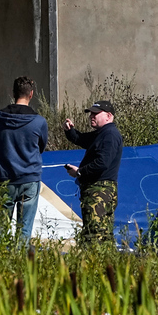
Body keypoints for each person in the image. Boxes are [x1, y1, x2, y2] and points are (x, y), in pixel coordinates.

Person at [0, 76, 48, 242]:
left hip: (4, 177)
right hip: (29, 178)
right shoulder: (39, 122)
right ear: (31, 94)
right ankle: (21, 263)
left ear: (13, 93)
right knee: (24, 230)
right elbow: (40, 147)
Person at [63, 100, 123, 244]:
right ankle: (105, 263)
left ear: (108, 116)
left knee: (95, 236)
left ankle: (94, 264)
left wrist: (80, 172)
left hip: (100, 191)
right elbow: (81, 139)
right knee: (102, 235)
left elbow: (102, 163)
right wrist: (70, 131)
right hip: (98, 191)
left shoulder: (109, 135)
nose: (92, 116)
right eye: (91, 113)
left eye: (96, 113)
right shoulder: (102, 134)